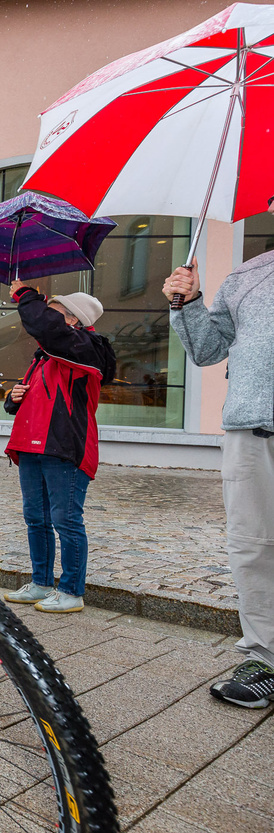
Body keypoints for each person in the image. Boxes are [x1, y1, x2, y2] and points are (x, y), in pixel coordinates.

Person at [164, 204, 274, 708]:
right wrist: (187, 303)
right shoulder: (247, 276)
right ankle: (265, 658)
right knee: (253, 548)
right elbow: (208, 351)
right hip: (251, 433)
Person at [1, 282, 115, 615]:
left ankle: (71, 591)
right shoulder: (46, 356)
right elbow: (35, 401)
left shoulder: (86, 348)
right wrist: (13, 400)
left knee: (65, 520)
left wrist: (26, 295)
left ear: (74, 322)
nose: (48, 318)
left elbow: (45, 327)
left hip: (65, 448)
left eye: (56, 313)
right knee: (35, 518)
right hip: (32, 447)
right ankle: (41, 583)